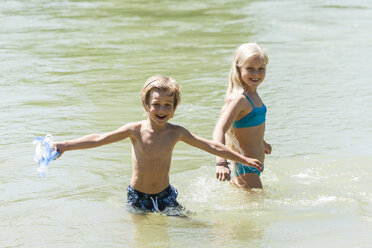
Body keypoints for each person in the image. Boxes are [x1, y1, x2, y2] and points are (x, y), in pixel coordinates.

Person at [55, 75, 262, 215]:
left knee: (192, 227)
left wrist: (242, 159)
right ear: (146, 105)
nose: (161, 109)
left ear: (174, 108)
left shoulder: (176, 132)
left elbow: (210, 146)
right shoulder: (134, 130)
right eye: (156, 104)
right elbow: (99, 139)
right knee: (143, 238)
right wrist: (65, 145)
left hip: (166, 196)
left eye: (167, 105)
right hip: (138, 197)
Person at [213, 43, 272, 190]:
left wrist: (261, 142)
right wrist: (221, 162)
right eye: (250, 69)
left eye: (261, 69)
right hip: (246, 167)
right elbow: (219, 130)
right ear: (239, 69)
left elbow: (245, 127)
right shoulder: (240, 99)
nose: (256, 74)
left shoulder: (254, 95)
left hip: (253, 167)